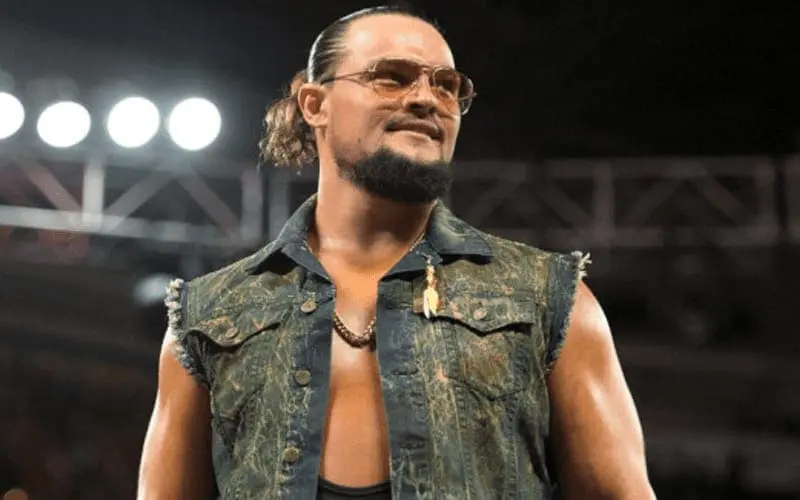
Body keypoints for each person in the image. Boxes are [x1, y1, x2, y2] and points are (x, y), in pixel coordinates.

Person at [138, 5, 655, 499]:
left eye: (447, 85)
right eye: (392, 77)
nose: (427, 98)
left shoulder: (548, 299)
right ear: (315, 105)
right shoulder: (209, 314)